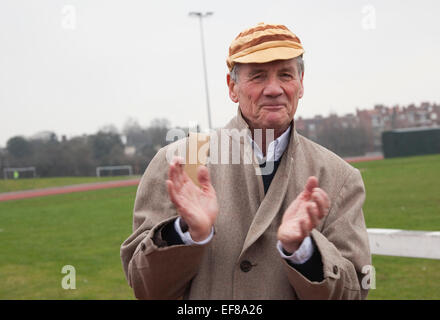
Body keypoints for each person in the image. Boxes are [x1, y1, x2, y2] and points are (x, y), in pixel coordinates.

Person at [120, 22, 371, 300]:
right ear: (232, 87)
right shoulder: (179, 164)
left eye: (285, 75)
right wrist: (187, 233)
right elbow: (145, 288)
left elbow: (353, 293)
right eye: (258, 76)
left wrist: (302, 250)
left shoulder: (339, 178)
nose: (274, 89)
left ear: (300, 84)